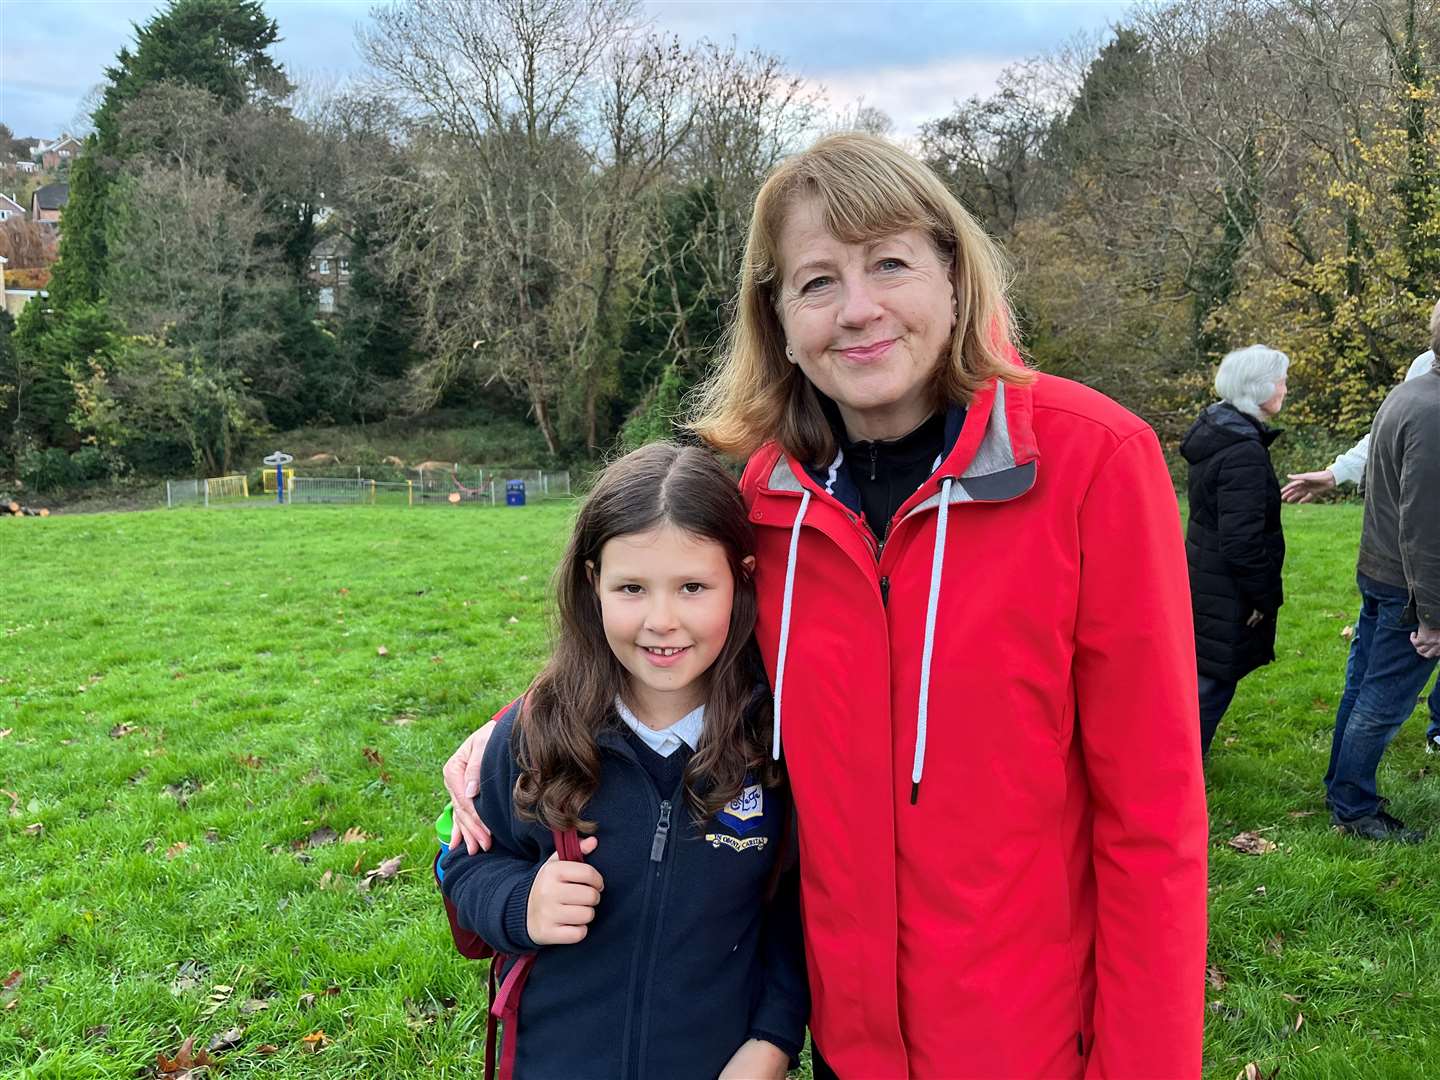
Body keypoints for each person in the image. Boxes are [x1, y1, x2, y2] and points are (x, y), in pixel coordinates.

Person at [446, 133, 1208, 1078]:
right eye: (816, 281)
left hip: (1027, 1042)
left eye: (890, 262)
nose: (858, 310)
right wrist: (514, 729)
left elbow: (1154, 821)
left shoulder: (1094, 463)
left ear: (955, 275)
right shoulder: (769, 498)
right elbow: (685, 662)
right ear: (777, 316)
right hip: (847, 1043)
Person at [439, 442, 807, 1079]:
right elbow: (464, 867)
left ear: (742, 577)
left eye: (693, 587)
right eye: (631, 588)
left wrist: (772, 1041)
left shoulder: (774, 747)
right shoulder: (535, 736)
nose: (662, 621)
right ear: (593, 584)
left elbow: (796, 911)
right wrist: (519, 901)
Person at [1282, 346, 1440, 754]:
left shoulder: (1417, 387)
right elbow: (1420, 504)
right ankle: (1352, 799)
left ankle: (1347, 792)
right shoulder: (1425, 377)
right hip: (1404, 571)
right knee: (1379, 693)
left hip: (1391, 566)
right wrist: (1432, 614)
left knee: (1370, 682)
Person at [1323, 304, 1440, 843]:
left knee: (1362, 684)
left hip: (1383, 572)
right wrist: (1432, 618)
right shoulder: (1433, 410)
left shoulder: (1408, 392)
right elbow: (1424, 524)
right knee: (1384, 700)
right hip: (1408, 587)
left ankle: (1342, 789)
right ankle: (1354, 808)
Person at [1180, 345, 1289, 757]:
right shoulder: (1242, 449)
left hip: (1207, 572)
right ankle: (1181, 768)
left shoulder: (1220, 429)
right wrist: (1263, 597)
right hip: (1225, 583)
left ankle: (1175, 758)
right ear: (1259, 390)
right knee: (1213, 680)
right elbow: (1241, 541)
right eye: (1280, 381)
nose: (1285, 389)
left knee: (1201, 673)